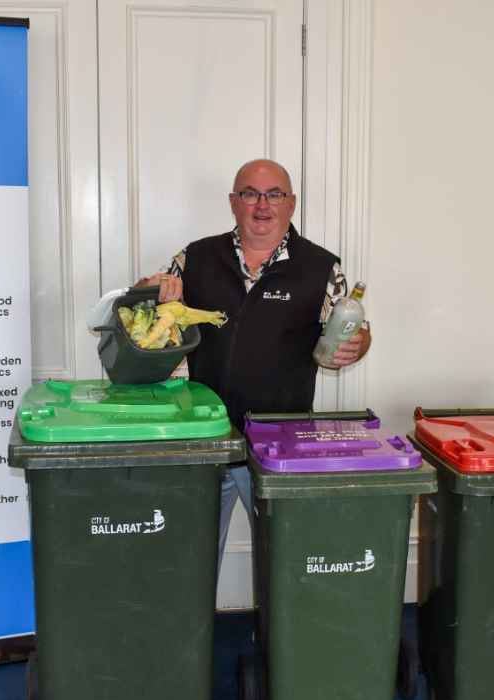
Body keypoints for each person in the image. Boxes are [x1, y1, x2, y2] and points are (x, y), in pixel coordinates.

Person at [139, 158, 371, 561]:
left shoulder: (321, 268)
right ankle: (193, 626)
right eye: (250, 193)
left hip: (281, 446)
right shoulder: (197, 257)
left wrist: (358, 344)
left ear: (291, 203)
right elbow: (141, 298)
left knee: (283, 559)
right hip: (206, 441)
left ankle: (276, 627)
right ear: (234, 201)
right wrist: (150, 287)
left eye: (274, 194)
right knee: (190, 557)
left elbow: (351, 330)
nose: (262, 204)